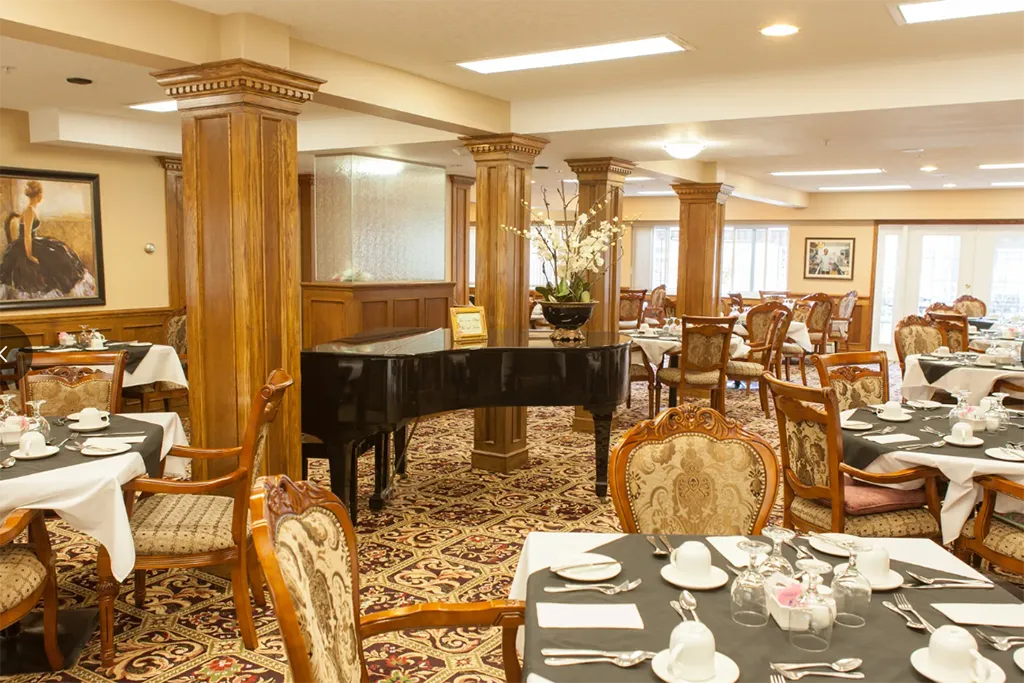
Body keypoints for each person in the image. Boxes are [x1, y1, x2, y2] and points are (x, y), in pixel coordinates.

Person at [0, 180, 96, 299]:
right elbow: (27, 235)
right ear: (38, 195)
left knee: (60, 252)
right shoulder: (29, 210)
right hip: (26, 244)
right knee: (54, 256)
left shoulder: (33, 209)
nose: (42, 197)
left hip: (33, 241)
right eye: (41, 194)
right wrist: (30, 255)